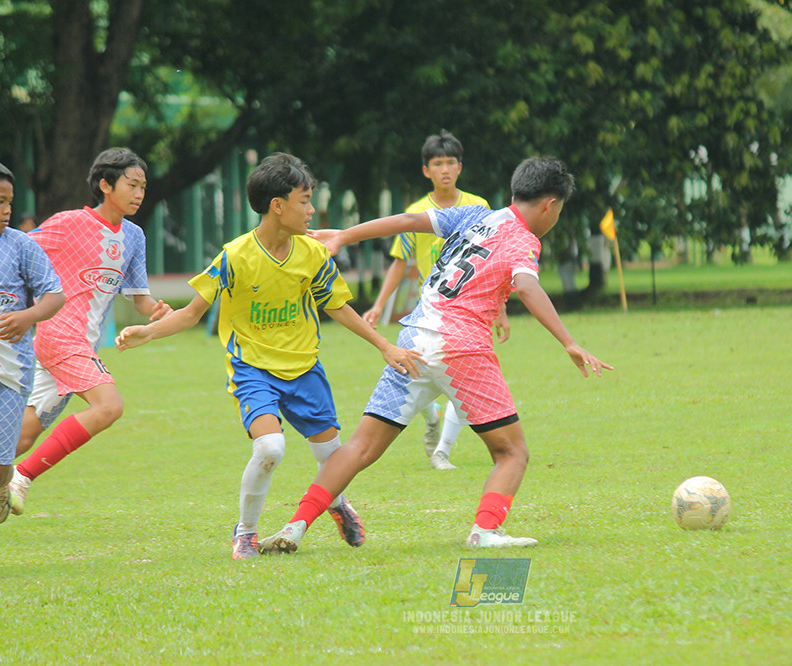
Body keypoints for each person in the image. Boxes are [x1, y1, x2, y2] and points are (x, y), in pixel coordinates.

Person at [260, 156, 612, 553]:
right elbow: (528, 287)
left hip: (413, 338)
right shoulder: (523, 241)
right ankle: (485, 530)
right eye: (560, 210)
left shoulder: (475, 214)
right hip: (462, 347)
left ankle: (294, 526)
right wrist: (568, 340)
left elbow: (411, 223)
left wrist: (344, 235)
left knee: (360, 447)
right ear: (550, 205)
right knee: (511, 452)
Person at [115, 153, 422, 560]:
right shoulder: (235, 255)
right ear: (278, 205)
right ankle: (245, 533)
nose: (312, 210)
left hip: (305, 368)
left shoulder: (312, 254)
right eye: (305, 200)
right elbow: (191, 313)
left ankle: (336, 503)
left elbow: (337, 307)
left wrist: (385, 345)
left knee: (333, 457)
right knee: (270, 448)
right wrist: (147, 332)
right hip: (254, 370)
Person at [9, 148, 172, 515]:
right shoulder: (68, 223)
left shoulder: (133, 236)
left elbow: (140, 298)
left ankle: (7, 470)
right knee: (109, 407)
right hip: (60, 334)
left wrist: (158, 311)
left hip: (77, 344)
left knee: (20, 436)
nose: (139, 193)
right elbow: (17, 247)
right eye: (132, 185)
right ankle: (21, 478)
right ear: (105, 185)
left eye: (143, 187)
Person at [361, 130, 500, 471]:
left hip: (469, 313)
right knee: (408, 369)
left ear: (460, 167)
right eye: (438, 164)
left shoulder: (478, 208)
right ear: (426, 170)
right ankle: (431, 416)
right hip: (429, 314)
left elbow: (492, 263)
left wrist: (502, 311)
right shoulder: (416, 212)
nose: (445, 170)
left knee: (464, 376)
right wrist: (379, 305)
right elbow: (400, 262)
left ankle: (441, 451)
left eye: (451, 162)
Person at [0, 158, 65, 524]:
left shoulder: (20, 246)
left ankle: (0, 486)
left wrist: (26, 316)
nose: (7, 210)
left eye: (9, 201)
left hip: (11, 375)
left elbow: (54, 295)